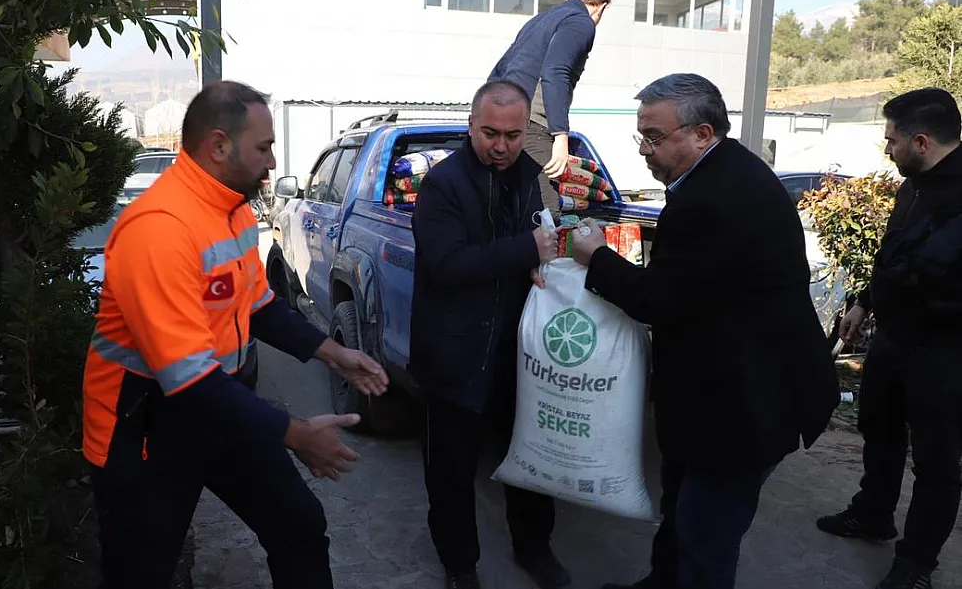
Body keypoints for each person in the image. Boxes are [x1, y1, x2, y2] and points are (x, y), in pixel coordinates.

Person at [82, 80, 390, 589]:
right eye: (264, 147)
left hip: (219, 407)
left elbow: (257, 303)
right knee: (140, 572)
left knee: (299, 526)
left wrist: (331, 352)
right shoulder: (158, 228)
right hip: (145, 429)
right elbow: (186, 377)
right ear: (219, 145)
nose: (273, 161)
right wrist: (294, 433)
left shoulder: (234, 210)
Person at [569, 73, 839, 589]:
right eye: (641, 135)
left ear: (703, 133)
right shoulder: (722, 174)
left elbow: (661, 300)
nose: (644, 149)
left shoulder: (713, 198)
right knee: (680, 512)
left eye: (654, 137)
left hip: (743, 405)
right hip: (717, 393)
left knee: (705, 538)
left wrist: (596, 256)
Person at [409, 79, 567, 589]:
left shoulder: (531, 178)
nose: (500, 146)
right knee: (451, 474)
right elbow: (446, 265)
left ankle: (534, 549)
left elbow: (545, 241)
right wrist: (528, 251)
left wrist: (545, 265)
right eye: (489, 134)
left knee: (531, 462)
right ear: (471, 126)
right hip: (455, 355)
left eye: (513, 135)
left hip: (517, 354)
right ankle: (460, 566)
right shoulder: (443, 186)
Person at [815, 87, 962, 589]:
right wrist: (862, 301)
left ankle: (916, 563)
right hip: (894, 338)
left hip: (945, 352)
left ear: (920, 141)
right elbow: (894, 252)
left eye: (891, 140)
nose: (887, 150)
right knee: (879, 431)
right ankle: (873, 513)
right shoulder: (913, 184)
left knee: (937, 461)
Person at [488, 0, 612, 218]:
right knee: (545, 210)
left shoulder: (539, 20)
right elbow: (556, 70)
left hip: (500, 116)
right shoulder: (581, 22)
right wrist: (560, 136)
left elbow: (500, 68)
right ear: (601, 7)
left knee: (507, 205)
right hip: (530, 122)